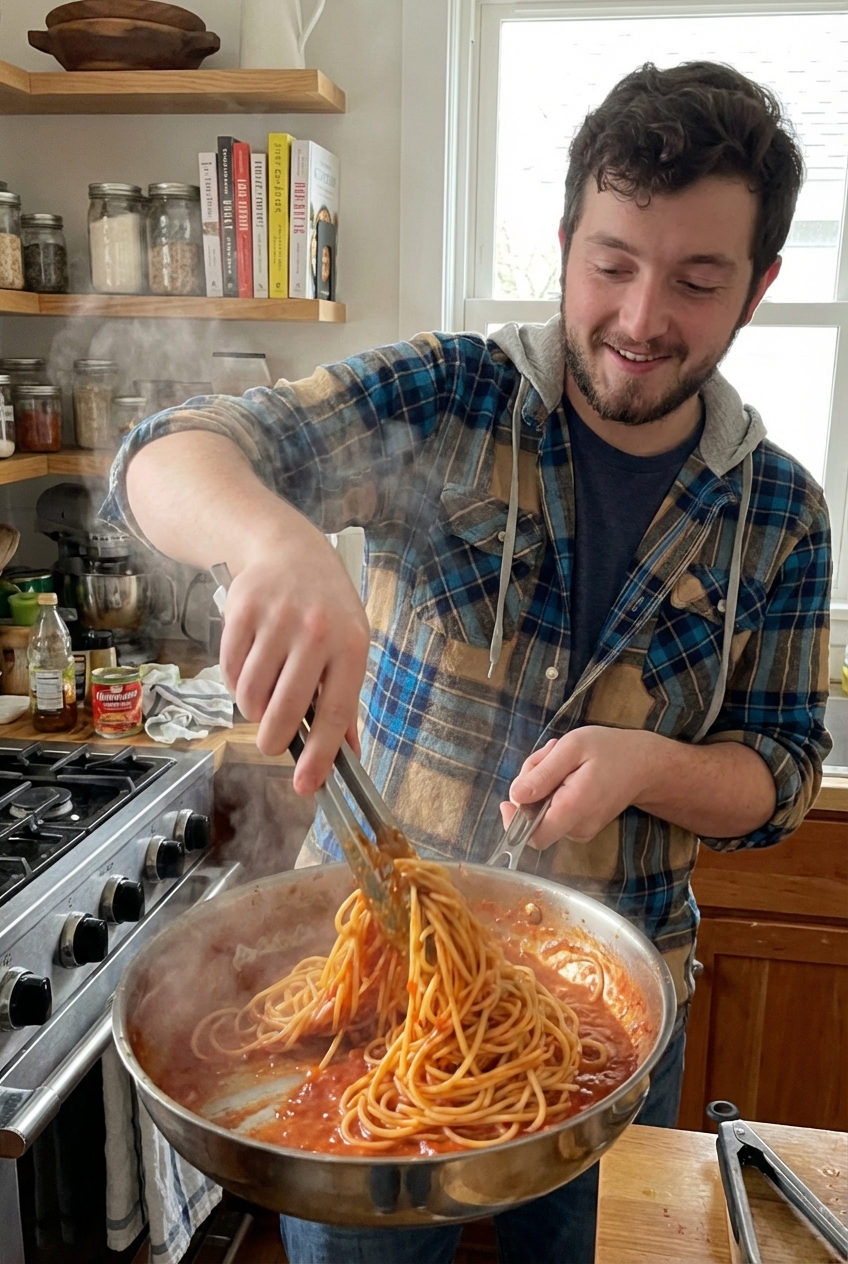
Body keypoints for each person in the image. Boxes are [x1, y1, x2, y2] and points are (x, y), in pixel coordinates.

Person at [104, 60, 832, 1264]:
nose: (642, 318)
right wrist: (273, 536)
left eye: (697, 280)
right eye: (610, 265)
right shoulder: (448, 396)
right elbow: (166, 453)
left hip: (617, 1010)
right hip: (374, 990)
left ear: (754, 289)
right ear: (561, 246)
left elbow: (786, 771)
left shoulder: (779, 514)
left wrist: (647, 763)